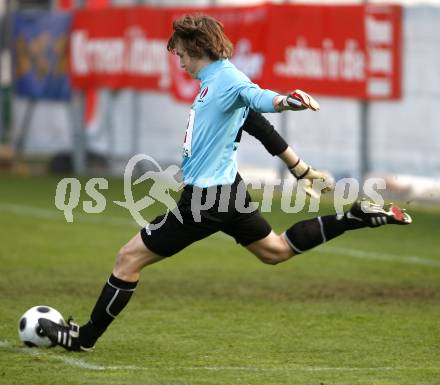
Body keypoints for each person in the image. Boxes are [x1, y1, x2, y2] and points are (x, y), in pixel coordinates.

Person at [39, 14, 412, 351]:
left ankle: (83, 338)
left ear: (196, 48)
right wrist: (299, 168)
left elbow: (260, 100)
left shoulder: (228, 79)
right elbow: (256, 124)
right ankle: (354, 217)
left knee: (127, 259)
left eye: (181, 53)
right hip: (228, 193)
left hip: (205, 200)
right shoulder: (212, 83)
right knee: (275, 251)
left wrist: (286, 101)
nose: (179, 61)